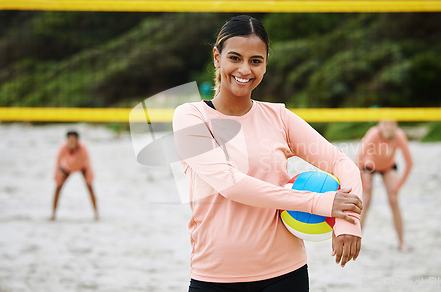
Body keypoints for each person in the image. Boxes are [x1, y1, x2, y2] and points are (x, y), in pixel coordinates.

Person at [172, 15, 363, 291]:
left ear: (265, 64)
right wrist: (320, 203)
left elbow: (341, 162)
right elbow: (230, 184)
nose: (245, 69)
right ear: (217, 57)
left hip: (285, 274)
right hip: (215, 277)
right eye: (235, 58)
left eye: (255, 61)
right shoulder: (190, 117)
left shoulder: (279, 117)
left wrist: (348, 224)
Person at [356, 120, 413, 251]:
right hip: (369, 165)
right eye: (386, 124)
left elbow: (409, 163)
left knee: (394, 200)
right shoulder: (373, 134)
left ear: (396, 126)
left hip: (388, 167)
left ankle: (402, 243)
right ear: (379, 125)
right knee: (366, 200)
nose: (389, 127)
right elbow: (358, 159)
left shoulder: (399, 136)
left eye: (392, 124)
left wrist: (399, 185)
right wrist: (363, 182)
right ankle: (356, 241)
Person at [51, 131, 99, 221]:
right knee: (58, 187)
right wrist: (56, 176)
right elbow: (57, 162)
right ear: (67, 140)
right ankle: (53, 214)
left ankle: (96, 214)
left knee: (90, 187)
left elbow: (88, 162)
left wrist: (90, 176)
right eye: (70, 140)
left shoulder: (83, 147)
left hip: (82, 167)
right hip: (67, 168)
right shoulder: (63, 147)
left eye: (73, 140)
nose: (71, 142)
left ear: (77, 140)